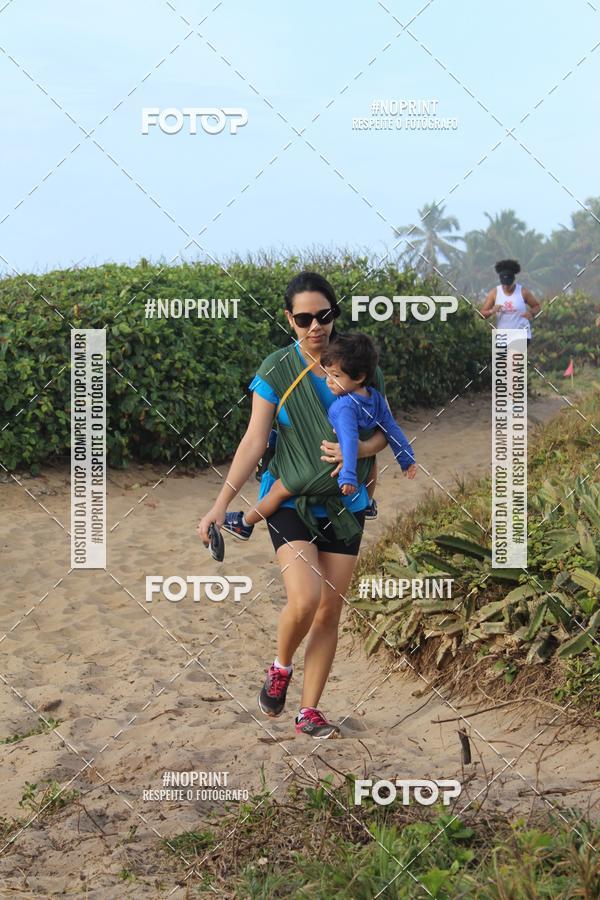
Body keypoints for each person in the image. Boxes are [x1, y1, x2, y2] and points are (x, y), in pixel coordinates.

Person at [197, 272, 411, 739]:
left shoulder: (357, 362)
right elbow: (255, 440)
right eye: (304, 318)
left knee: (330, 611)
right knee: (306, 598)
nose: (315, 327)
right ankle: (281, 666)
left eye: (324, 315)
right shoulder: (278, 369)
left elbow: (383, 427)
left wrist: (362, 450)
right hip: (289, 497)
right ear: (289, 319)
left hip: (346, 501)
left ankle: (308, 711)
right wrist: (220, 504)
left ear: (335, 314)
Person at [222, 331, 417, 538]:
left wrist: (348, 476)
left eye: (336, 376)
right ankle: (367, 503)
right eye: (328, 374)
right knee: (369, 455)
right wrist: (406, 458)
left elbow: (349, 442)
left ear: (359, 377)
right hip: (362, 471)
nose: (329, 381)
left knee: (278, 491)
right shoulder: (375, 398)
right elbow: (392, 430)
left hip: (320, 470)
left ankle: (245, 523)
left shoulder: (344, 408)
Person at [480, 259, 541, 343]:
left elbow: (536, 306)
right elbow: (481, 314)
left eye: (508, 284)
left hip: (521, 335)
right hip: (502, 337)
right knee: (504, 356)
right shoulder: (494, 293)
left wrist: (531, 313)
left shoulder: (523, 292)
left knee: (512, 355)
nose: (506, 286)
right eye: (503, 284)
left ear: (513, 280)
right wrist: (491, 311)